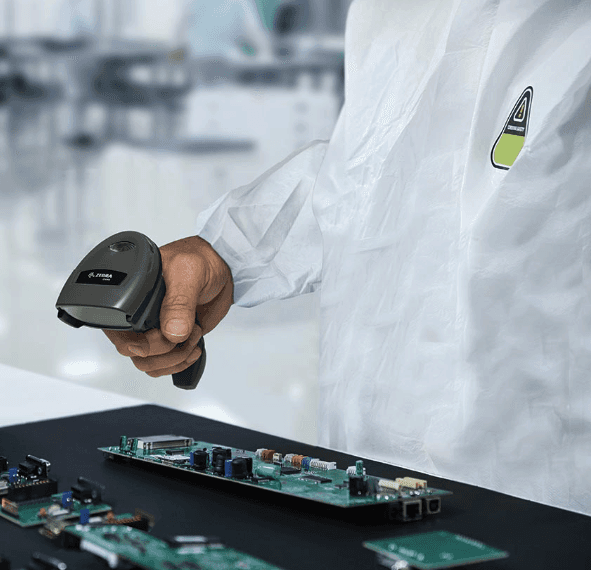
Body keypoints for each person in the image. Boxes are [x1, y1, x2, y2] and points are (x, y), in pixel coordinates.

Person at [103, 0, 591, 516]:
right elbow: (373, 171)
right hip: (359, 477)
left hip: (542, 493)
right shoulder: (392, 12)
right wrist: (225, 252)